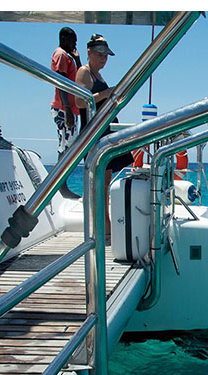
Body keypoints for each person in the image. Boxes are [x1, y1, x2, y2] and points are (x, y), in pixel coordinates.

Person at [75, 34, 133, 235]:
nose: (103, 58)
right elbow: (80, 102)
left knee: (105, 185)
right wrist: (107, 93)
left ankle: (105, 228)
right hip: (95, 135)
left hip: (105, 132)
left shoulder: (97, 75)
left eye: (106, 55)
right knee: (99, 186)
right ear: (89, 52)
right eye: (99, 54)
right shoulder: (84, 72)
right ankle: (102, 229)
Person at [51, 27, 82, 198]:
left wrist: (77, 59)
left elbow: (78, 77)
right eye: (72, 40)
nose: (74, 44)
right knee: (65, 147)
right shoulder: (61, 54)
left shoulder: (68, 56)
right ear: (63, 38)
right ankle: (60, 186)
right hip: (64, 109)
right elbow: (60, 82)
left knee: (69, 146)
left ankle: (62, 184)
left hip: (70, 109)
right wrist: (68, 109)